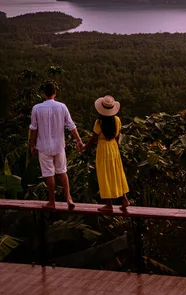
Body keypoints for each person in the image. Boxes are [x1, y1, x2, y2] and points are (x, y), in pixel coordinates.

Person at [29, 81, 84, 209]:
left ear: (44, 94)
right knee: (62, 171)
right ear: (55, 93)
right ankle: (69, 198)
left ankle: (52, 201)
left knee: (49, 174)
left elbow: (33, 128)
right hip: (59, 146)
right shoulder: (62, 107)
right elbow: (71, 125)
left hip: (43, 146)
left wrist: (32, 145)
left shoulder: (36, 108)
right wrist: (79, 140)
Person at [84, 95, 129, 211]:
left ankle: (109, 204)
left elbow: (93, 139)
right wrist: (116, 148)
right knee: (116, 173)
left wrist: (85, 147)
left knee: (105, 175)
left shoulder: (99, 122)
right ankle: (124, 199)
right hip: (113, 146)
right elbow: (118, 137)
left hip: (103, 149)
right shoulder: (117, 120)